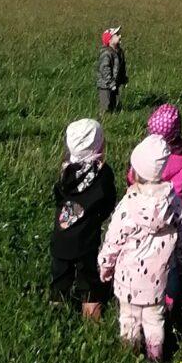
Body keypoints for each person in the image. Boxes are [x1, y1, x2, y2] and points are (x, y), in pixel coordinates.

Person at [98, 134, 182, 363]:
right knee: (154, 320)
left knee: (128, 318)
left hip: (127, 280)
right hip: (158, 280)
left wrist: (105, 266)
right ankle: (155, 356)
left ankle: (129, 356)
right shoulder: (174, 204)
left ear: (136, 170)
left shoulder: (128, 205)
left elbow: (113, 240)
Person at [130, 103, 182, 312]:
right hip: (175, 213)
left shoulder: (145, 155)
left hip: (144, 210)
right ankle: (170, 300)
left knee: (145, 250)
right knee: (172, 258)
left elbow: (131, 177)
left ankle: (141, 288)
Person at [51, 119, 116, 320]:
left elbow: (58, 197)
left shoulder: (65, 171)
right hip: (86, 241)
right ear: (99, 145)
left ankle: (55, 318)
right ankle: (92, 326)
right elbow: (108, 201)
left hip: (61, 239)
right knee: (90, 285)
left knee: (60, 281)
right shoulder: (102, 173)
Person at [96, 27, 127, 115]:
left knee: (114, 103)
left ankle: (113, 115)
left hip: (115, 83)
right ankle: (103, 120)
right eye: (116, 35)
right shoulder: (107, 53)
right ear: (109, 40)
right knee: (106, 105)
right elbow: (105, 69)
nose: (120, 36)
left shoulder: (119, 52)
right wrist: (110, 82)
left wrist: (123, 78)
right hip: (105, 85)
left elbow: (121, 67)